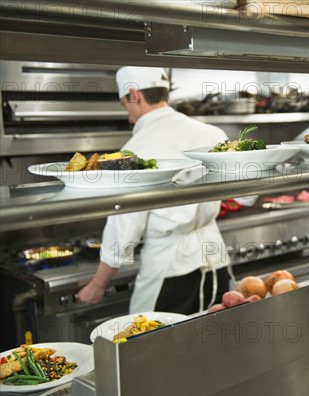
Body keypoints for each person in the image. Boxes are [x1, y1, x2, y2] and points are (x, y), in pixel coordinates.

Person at [77, 66, 231, 314]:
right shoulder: (212, 132)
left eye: (124, 104)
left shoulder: (136, 150)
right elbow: (246, 197)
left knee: (153, 348)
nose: (127, 114)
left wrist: (98, 283)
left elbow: (124, 228)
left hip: (171, 272)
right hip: (216, 263)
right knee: (214, 345)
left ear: (134, 95)